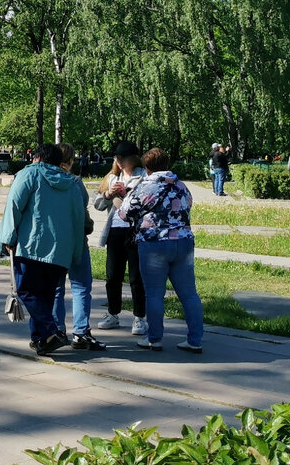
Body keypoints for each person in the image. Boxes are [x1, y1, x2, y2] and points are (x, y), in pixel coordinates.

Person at [0, 143, 103, 355]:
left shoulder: (29, 174)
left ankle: (52, 331)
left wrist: (8, 238)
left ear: (37, 158)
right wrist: (74, 250)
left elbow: (14, 206)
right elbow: (79, 219)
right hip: (61, 250)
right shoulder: (72, 183)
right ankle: (41, 340)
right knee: (45, 294)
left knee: (26, 290)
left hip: (31, 246)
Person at [118, 147, 204, 353]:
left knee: (154, 294)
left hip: (153, 243)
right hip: (183, 242)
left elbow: (124, 213)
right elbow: (188, 205)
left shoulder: (143, 186)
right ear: (167, 165)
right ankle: (195, 340)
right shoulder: (181, 186)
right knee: (190, 294)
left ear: (147, 168)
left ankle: (154, 339)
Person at [92, 141, 148, 335]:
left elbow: (148, 202)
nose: (119, 161)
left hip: (134, 231)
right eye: (117, 158)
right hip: (115, 230)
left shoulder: (143, 176)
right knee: (112, 276)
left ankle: (139, 317)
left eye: (122, 158)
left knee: (136, 277)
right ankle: (112, 313)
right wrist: (108, 193)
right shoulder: (112, 176)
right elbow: (97, 204)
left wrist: (128, 195)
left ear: (133, 159)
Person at [50, 143, 102, 344]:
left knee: (56, 288)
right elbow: (82, 209)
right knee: (81, 286)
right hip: (77, 241)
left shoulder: (47, 181)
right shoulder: (75, 182)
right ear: (70, 161)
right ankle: (80, 331)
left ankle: (57, 329)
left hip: (55, 242)